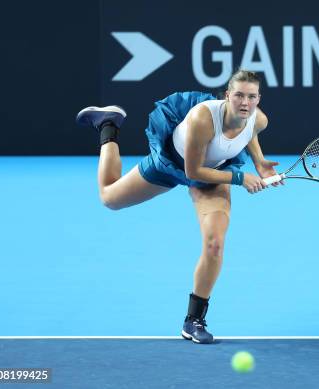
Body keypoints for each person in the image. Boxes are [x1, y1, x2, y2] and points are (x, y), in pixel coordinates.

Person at [76, 70, 281, 344]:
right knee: (109, 198)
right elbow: (193, 171)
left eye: (252, 97)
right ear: (227, 95)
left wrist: (259, 161)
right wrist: (241, 178)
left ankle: (194, 320)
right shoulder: (203, 118)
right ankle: (108, 126)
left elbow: (250, 131)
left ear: (258, 99)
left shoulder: (259, 120)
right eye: (239, 95)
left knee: (215, 244)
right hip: (174, 164)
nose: (245, 102)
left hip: (215, 174)